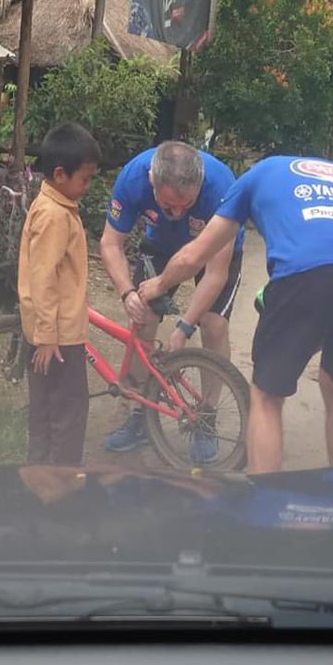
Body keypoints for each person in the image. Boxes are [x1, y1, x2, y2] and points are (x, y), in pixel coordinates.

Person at [138, 156, 333, 474]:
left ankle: (268, 499)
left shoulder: (253, 177)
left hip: (304, 271)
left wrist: (158, 285)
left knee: (266, 395)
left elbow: (194, 255)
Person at [99, 141, 246, 460]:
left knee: (213, 324)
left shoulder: (223, 187)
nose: (178, 213)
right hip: (161, 244)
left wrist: (184, 327)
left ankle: (206, 417)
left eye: (187, 204)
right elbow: (111, 243)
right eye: (168, 206)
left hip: (214, 249)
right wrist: (127, 292)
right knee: (143, 317)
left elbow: (215, 274)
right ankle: (141, 411)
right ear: (153, 182)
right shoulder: (134, 178)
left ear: (200, 186)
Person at [17, 123, 101, 466]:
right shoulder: (54, 215)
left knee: (46, 410)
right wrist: (48, 337)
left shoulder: (54, 205)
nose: (88, 186)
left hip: (48, 331)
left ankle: (40, 478)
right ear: (60, 174)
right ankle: (60, 486)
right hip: (58, 337)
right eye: (85, 178)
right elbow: (43, 279)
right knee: (67, 412)